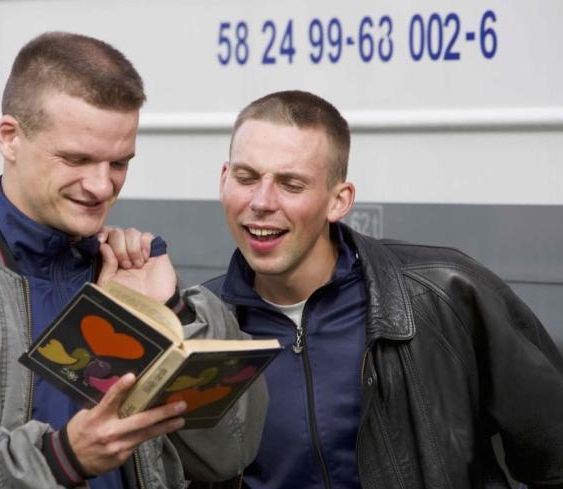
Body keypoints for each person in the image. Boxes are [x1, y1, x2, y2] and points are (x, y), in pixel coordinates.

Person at [0, 32, 267, 489]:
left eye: (119, 163)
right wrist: (59, 459)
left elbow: (230, 454)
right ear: (10, 138)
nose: (102, 186)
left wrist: (170, 313)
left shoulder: (134, 275)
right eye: (77, 159)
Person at [202, 90, 563, 488]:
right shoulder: (201, 328)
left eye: (291, 184)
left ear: (339, 201)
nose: (261, 202)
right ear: (224, 180)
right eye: (246, 178)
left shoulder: (446, 294)